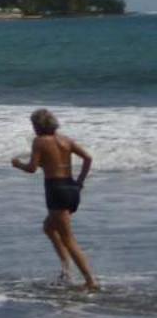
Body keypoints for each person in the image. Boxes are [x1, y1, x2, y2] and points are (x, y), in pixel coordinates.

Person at [11, 108, 98, 291]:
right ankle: (66, 270)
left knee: (68, 238)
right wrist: (80, 182)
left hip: (56, 190)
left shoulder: (40, 141)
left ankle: (91, 281)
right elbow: (88, 158)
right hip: (71, 188)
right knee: (49, 228)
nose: (33, 129)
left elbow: (32, 168)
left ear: (38, 126)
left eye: (34, 125)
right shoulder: (65, 140)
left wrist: (17, 164)